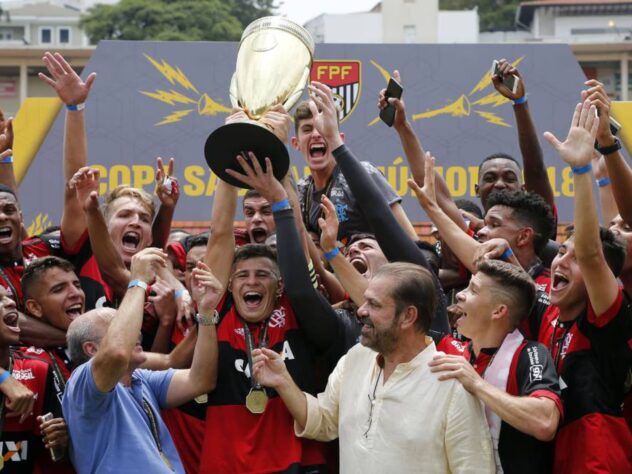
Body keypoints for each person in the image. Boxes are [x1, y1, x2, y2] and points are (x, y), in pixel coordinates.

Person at [253, 262, 495, 473]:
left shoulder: (452, 384)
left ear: (408, 316)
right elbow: (324, 422)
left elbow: (474, 469)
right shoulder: (356, 358)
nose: (361, 310)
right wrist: (283, 381)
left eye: (374, 304)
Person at [528, 98, 632, 472]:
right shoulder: (549, 316)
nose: (561, 260)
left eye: (573, 256)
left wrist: (583, 169)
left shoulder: (608, 317)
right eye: (560, 253)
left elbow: (590, 254)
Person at [62, 247, 219, 473]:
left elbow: (201, 379)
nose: (136, 334)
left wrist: (205, 312)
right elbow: (117, 352)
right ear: (91, 349)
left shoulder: (140, 379)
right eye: (122, 326)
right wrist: (137, 283)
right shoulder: (82, 385)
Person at [430, 260, 562, 473]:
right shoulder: (451, 350)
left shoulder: (530, 354)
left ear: (499, 311)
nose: (460, 295)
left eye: (473, 290)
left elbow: (545, 422)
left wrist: (477, 384)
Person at [292, 101, 418, 245]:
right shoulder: (300, 191)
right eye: (307, 129)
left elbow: (411, 240)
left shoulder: (364, 174)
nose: (316, 134)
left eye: (323, 127)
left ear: (339, 138)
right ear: (296, 143)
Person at [0, 287, 71, 473]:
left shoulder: (37, 369)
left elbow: (59, 460)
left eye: (8, 297)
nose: (10, 302)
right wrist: (3, 377)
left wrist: (63, 441)